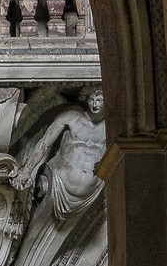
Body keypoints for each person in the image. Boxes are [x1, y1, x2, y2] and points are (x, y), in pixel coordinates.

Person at [13, 87, 107, 223]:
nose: (95, 104)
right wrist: (26, 171)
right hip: (57, 185)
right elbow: (44, 143)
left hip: (94, 191)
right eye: (92, 100)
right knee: (34, 231)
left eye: (99, 100)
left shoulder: (111, 125)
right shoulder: (71, 117)